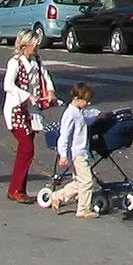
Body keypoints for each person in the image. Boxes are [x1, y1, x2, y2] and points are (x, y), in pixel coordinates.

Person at [1, 28, 56, 202]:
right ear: (24, 45)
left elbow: (45, 77)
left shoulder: (37, 60)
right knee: (27, 149)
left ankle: (17, 189)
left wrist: (51, 92)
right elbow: (8, 85)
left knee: (25, 150)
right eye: (34, 45)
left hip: (31, 111)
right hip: (17, 110)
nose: (37, 48)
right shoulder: (15, 63)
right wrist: (27, 95)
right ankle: (17, 189)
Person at [42, 82, 100, 217]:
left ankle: (57, 196)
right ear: (77, 99)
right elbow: (64, 136)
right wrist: (62, 155)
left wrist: (97, 116)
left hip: (80, 152)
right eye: (87, 101)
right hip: (77, 153)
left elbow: (85, 120)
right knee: (87, 181)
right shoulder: (70, 114)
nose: (89, 103)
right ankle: (83, 209)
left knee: (79, 181)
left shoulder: (78, 112)